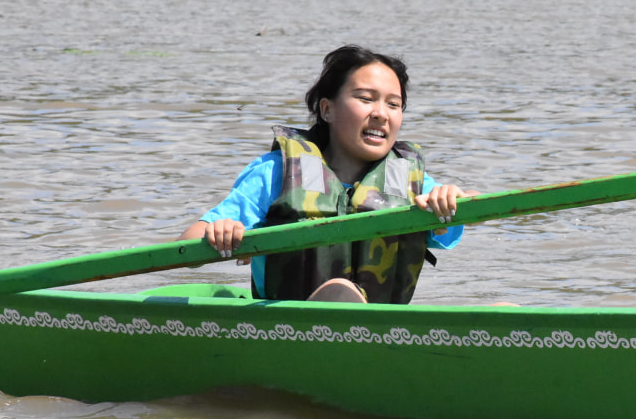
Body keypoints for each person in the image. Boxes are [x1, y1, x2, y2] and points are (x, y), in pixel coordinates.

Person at [178, 45, 474, 304]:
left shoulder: (413, 184)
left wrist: (453, 197)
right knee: (341, 293)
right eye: (366, 98)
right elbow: (188, 245)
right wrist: (218, 234)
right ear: (327, 109)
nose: (381, 113)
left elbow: (475, 204)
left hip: (383, 332)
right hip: (287, 331)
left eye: (393, 104)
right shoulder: (276, 173)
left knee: (506, 311)